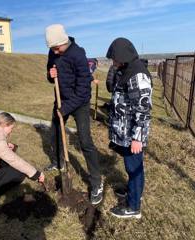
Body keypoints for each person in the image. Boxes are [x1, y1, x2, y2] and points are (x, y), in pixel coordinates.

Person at [44, 24, 103, 205]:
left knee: (85, 141)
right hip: (61, 99)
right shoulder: (54, 52)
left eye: (57, 47)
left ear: (64, 41)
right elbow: (50, 75)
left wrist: (66, 108)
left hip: (79, 104)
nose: (55, 51)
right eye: (52, 48)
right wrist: (50, 73)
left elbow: (84, 91)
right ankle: (58, 162)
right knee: (54, 133)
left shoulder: (78, 54)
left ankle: (96, 183)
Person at [106, 38, 152, 219]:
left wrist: (137, 138)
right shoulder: (128, 70)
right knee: (133, 167)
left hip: (132, 134)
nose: (113, 62)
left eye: (114, 58)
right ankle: (134, 192)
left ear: (123, 56)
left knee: (134, 169)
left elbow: (143, 108)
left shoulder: (137, 75)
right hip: (126, 132)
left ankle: (133, 208)